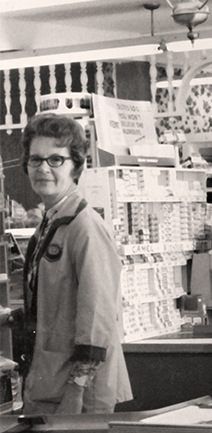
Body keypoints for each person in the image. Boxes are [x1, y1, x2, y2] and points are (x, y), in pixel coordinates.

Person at [2, 113, 132, 414]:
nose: (43, 168)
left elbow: (97, 316)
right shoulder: (51, 224)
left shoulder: (85, 227)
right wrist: (12, 318)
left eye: (56, 159)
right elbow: (55, 306)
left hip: (77, 394)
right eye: (35, 159)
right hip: (48, 382)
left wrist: (77, 389)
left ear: (76, 165)